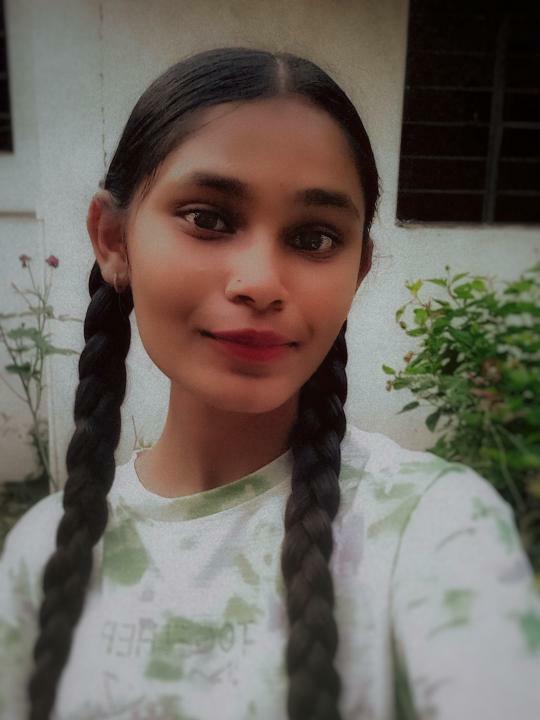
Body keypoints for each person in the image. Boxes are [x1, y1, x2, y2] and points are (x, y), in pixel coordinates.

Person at [0, 46, 539, 720]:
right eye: (208, 218)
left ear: (359, 270)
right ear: (112, 239)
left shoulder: (434, 531)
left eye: (314, 238)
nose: (259, 282)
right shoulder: (39, 554)